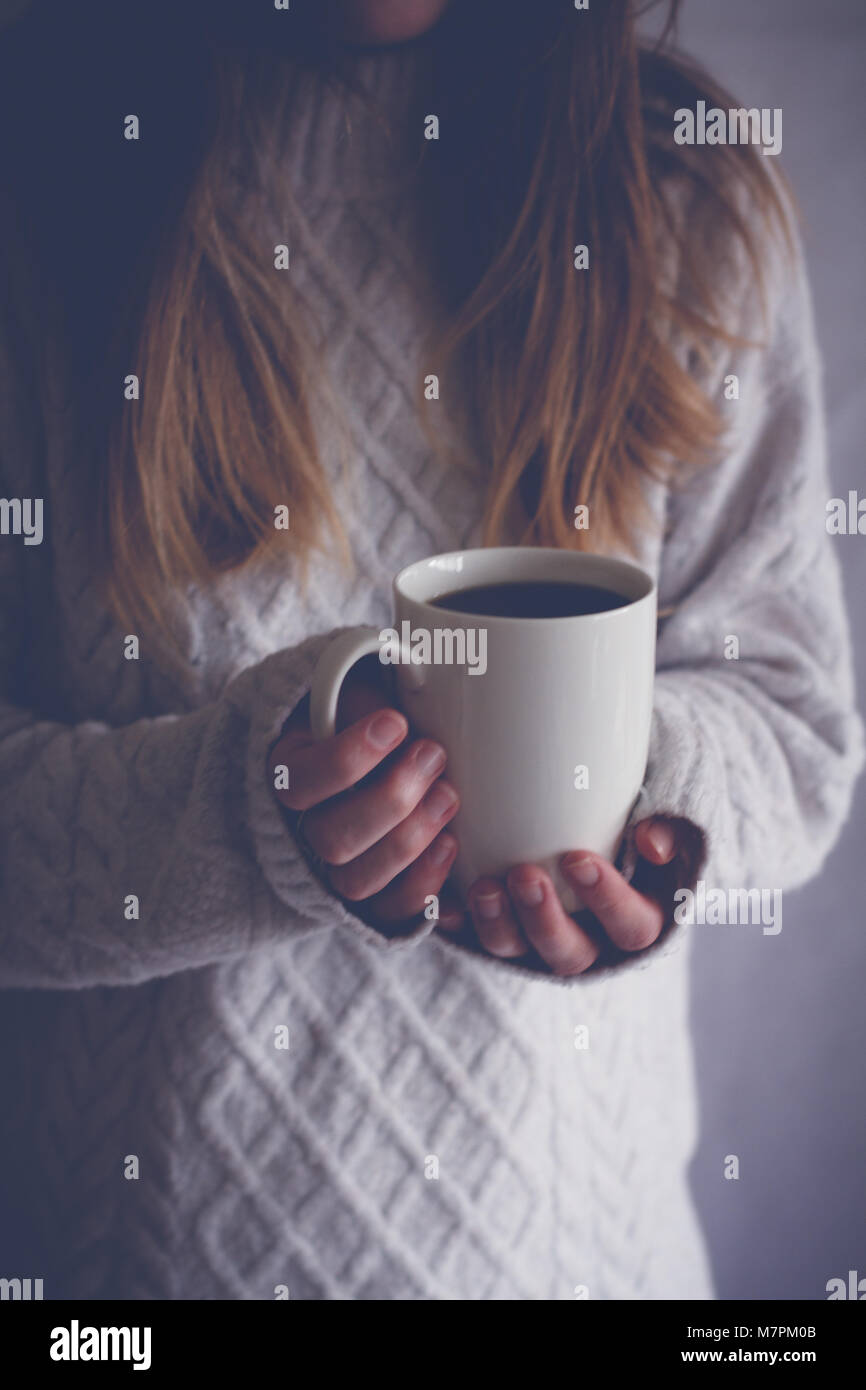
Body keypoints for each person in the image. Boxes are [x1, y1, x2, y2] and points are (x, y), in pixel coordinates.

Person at [0, 0, 861, 1300]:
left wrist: (644, 797)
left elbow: (791, 719)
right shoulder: (39, 188)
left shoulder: (676, 197)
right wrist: (243, 818)